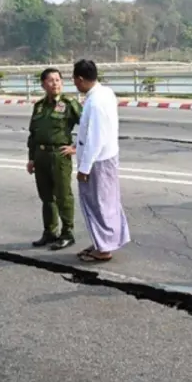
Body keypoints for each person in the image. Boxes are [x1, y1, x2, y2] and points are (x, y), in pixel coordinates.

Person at [72, 59, 129, 263]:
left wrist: (84, 168)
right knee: (109, 202)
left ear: (80, 79)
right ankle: (104, 241)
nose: (74, 84)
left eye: (74, 80)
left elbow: (95, 138)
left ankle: (103, 249)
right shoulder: (106, 93)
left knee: (97, 205)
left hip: (98, 161)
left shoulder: (95, 102)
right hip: (108, 156)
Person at [26, 67, 82, 250]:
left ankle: (67, 233)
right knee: (46, 197)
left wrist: (77, 147)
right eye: (50, 80)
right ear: (43, 84)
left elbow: (88, 125)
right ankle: (50, 232)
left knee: (63, 195)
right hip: (41, 155)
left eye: (58, 80)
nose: (55, 83)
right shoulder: (39, 106)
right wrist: (31, 158)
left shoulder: (69, 103)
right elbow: (33, 134)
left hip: (59, 155)